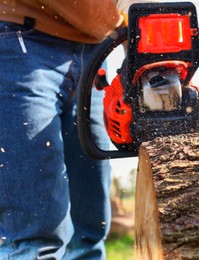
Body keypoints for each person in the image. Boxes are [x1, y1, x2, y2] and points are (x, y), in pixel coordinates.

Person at [0, 1, 131, 259]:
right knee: (34, 238)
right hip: (22, 38)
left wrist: (143, 57)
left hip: (95, 53)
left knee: (89, 233)